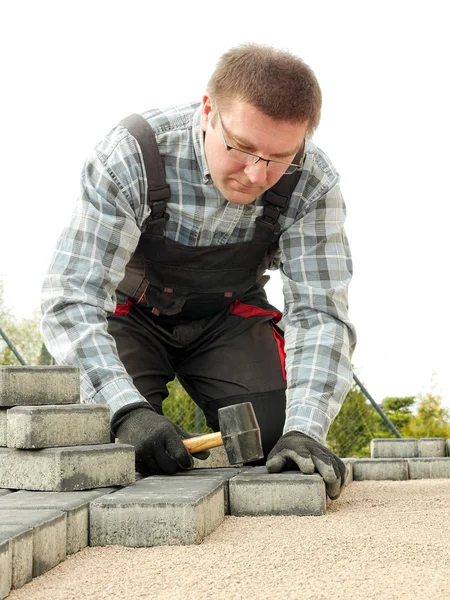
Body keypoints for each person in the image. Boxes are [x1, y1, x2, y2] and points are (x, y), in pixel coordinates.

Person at [41, 43, 356, 500]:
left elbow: (321, 313)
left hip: (227, 319)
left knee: (277, 439)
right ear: (209, 111)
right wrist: (124, 411)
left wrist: (305, 429)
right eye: (242, 147)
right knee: (116, 453)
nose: (255, 173)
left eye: (279, 157)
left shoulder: (313, 180)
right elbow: (70, 297)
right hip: (128, 316)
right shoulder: (133, 155)